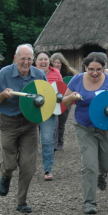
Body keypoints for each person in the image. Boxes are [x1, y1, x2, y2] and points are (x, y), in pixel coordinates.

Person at [0, 44, 47, 214]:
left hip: (30, 123)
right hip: (9, 122)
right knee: (10, 164)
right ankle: (6, 174)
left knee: (28, 165)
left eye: (29, 58)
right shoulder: (4, 74)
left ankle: (21, 201)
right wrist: (3, 95)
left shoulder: (39, 75)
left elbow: (46, 97)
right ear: (15, 59)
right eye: (23, 58)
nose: (26, 62)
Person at [62, 52, 108, 214]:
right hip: (84, 127)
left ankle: (103, 175)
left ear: (104, 68)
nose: (95, 73)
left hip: (106, 128)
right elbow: (64, 101)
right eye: (91, 69)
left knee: (106, 165)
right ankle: (89, 203)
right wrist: (72, 96)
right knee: (89, 166)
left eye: (99, 69)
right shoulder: (76, 80)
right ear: (85, 67)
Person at [35, 51, 62, 181]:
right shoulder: (30, 73)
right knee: (31, 140)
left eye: (45, 59)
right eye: (40, 59)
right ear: (36, 62)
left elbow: (62, 90)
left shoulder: (55, 73)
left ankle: (47, 168)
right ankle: (28, 167)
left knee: (47, 139)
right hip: (33, 110)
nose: (43, 61)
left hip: (49, 110)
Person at [50, 52, 78, 151]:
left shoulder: (69, 74)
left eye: (59, 63)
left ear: (62, 63)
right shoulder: (50, 73)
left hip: (65, 100)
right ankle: (53, 144)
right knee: (54, 123)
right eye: (55, 62)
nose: (57, 65)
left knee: (61, 123)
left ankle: (60, 143)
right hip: (53, 100)